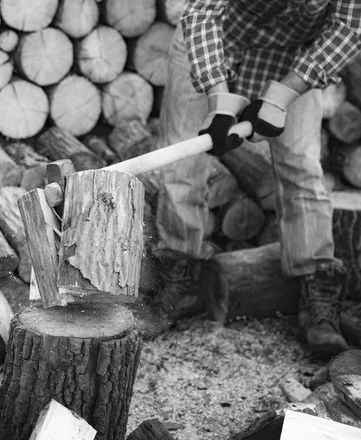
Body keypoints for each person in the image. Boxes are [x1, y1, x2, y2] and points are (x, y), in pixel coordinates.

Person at [154, 1, 361, 356]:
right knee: (183, 160)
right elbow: (202, 12)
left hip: (296, 59)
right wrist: (219, 98)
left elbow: (350, 27)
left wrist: (284, 94)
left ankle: (318, 296)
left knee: (301, 165)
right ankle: (180, 278)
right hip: (212, 42)